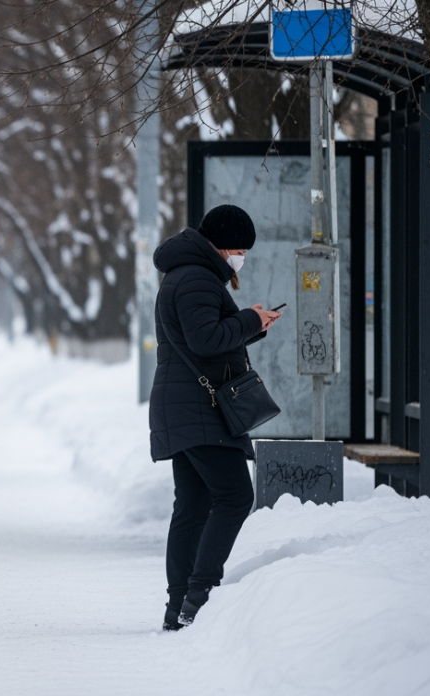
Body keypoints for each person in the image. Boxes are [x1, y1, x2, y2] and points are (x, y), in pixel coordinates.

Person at [149, 204, 281, 631]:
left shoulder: (187, 274)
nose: (241, 256)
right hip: (197, 409)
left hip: (186, 406)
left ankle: (179, 607)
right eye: (239, 248)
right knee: (234, 497)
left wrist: (253, 325)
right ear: (221, 243)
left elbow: (201, 339)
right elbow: (206, 340)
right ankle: (199, 596)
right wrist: (249, 319)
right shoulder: (196, 279)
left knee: (192, 505)